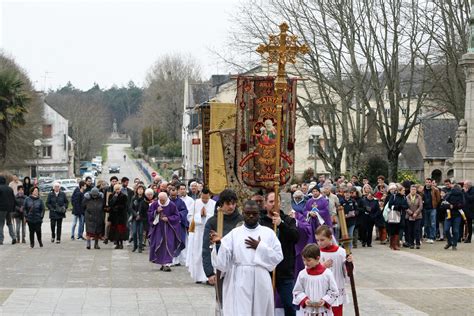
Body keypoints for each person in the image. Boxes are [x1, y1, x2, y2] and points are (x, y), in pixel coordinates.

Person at [212, 200, 283, 316]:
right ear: (243, 213)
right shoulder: (234, 233)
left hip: (261, 278)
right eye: (248, 213)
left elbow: (278, 256)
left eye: (254, 213)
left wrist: (260, 247)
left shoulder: (268, 233)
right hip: (239, 279)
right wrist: (219, 245)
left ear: (259, 214)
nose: (251, 215)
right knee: (241, 311)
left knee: (260, 311)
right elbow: (222, 263)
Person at [202, 189, 243, 310]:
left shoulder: (242, 220)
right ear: (221, 204)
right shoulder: (213, 222)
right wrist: (209, 272)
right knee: (221, 302)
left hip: (238, 267)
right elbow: (205, 248)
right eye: (227, 203)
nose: (231, 206)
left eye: (233, 203)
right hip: (220, 268)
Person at [260, 191, 299, 316]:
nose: (274, 204)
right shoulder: (260, 222)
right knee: (263, 305)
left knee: (289, 304)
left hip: (284, 269)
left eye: (276, 201)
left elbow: (295, 237)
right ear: (265, 204)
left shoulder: (288, 220)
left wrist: (281, 224)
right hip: (265, 270)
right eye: (271, 202)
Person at [292, 243, 339, 316]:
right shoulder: (302, 274)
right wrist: (305, 300)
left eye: (308, 260)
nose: (305, 263)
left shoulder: (327, 273)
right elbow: (297, 291)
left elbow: (334, 291)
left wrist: (324, 300)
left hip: (323, 311)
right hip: (307, 311)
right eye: (303, 260)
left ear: (317, 258)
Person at [316, 225, 352, 316]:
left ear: (330, 238)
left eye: (322, 240)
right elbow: (310, 271)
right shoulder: (316, 252)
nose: (319, 243)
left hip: (337, 287)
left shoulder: (341, 252)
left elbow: (347, 272)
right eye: (317, 240)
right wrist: (322, 266)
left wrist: (349, 263)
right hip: (321, 290)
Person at [148, 192, 183, 271]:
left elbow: (177, 216)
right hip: (158, 228)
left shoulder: (171, 205)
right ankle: (162, 263)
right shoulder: (155, 204)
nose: (162, 202)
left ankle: (167, 264)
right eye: (161, 200)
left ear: (167, 198)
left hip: (169, 228)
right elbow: (149, 214)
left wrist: (168, 219)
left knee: (168, 244)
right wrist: (156, 211)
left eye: (163, 200)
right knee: (159, 245)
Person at [187, 188, 216, 282]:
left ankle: (208, 276)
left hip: (209, 231)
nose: (204, 201)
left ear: (210, 196)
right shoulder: (195, 203)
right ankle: (198, 276)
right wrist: (199, 215)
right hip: (198, 232)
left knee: (209, 253)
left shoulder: (213, 203)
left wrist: (206, 215)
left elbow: (216, 218)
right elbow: (190, 217)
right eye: (203, 199)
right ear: (201, 196)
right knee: (198, 253)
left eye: (206, 199)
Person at [169, 186, 189, 265]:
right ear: (169, 193)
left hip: (179, 225)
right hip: (170, 225)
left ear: (177, 193)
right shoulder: (167, 201)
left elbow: (184, 211)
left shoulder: (181, 202)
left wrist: (178, 216)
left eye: (175, 195)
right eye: (172, 195)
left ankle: (178, 260)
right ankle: (171, 261)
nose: (173, 196)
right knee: (171, 243)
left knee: (179, 241)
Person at [386, 184, 409, 250]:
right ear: (399, 191)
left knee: (399, 229)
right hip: (394, 215)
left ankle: (396, 244)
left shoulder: (404, 197)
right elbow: (390, 205)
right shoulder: (394, 196)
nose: (404, 191)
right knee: (393, 230)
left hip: (401, 216)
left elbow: (406, 206)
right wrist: (397, 207)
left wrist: (402, 207)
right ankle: (392, 244)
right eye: (403, 190)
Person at [444, 184, 465, 250]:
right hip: (451, 214)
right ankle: (451, 243)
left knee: (447, 230)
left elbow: (444, 204)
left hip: (455, 215)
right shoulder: (449, 194)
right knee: (455, 231)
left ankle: (453, 244)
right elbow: (462, 205)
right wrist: (452, 206)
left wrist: (452, 206)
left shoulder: (460, 195)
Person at [108, 184, 129, 249]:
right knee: (115, 230)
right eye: (116, 189)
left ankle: (121, 243)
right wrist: (114, 198)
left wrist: (117, 207)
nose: (117, 190)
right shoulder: (111, 195)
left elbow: (124, 206)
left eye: (118, 189)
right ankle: (117, 243)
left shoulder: (124, 196)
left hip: (121, 216)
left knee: (120, 230)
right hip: (114, 216)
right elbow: (110, 204)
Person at [130, 184, 148, 253]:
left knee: (141, 233)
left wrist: (140, 215)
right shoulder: (134, 198)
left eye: (141, 189)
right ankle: (135, 246)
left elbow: (146, 208)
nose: (140, 190)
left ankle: (140, 247)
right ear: (136, 190)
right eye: (139, 189)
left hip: (142, 218)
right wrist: (135, 214)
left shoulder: (145, 199)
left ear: (143, 191)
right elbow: (131, 207)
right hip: (135, 218)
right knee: (134, 232)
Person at [422, 178, 441, 244]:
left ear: (431, 182)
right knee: (426, 224)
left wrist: (435, 205)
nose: (428, 183)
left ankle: (432, 237)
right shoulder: (422, 190)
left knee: (433, 223)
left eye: (429, 182)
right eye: (426, 182)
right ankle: (428, 236)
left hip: (433, 208)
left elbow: (438, 199)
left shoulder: (435, 190)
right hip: (425, 208)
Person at [405, 185, 423, 249]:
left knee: (417, 230)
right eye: (412, 189)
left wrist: (416, 213)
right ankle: (411, 243)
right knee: (410, 230)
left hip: (418, 216)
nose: (413, 191)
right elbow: (405, 207)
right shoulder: (406, 197)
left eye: (414, 189)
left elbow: (421, 206)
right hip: (409, 216)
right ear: (410, 190)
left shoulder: (419, 197)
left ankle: (418, 243)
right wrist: (411, 213)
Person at [0, 176, 16, 245]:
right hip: (9, 209)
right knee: (9, 223)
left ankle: (1, 239)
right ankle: (13, 237)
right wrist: (13, 208)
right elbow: (13, 199)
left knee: (1, 224)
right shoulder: (10, 189)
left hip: (1, 209)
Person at [103, 176, 119, 244]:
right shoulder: (107, 189)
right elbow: (104, 199)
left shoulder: (118, 189)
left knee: (116, 225)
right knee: (108, 224)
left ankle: (115, 239)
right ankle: (106, 237)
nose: (114, 182)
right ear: (110, 182)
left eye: (115, 181)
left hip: (117, 210)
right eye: (113, 181)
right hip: (109, 209)